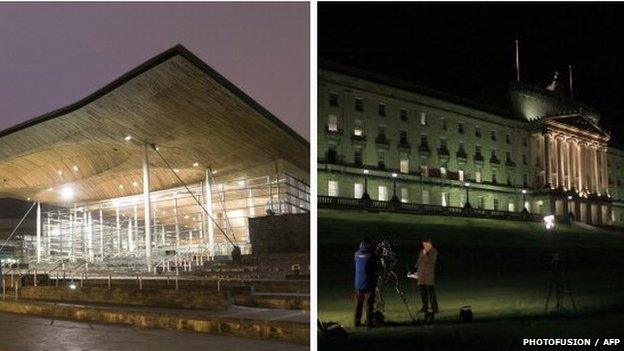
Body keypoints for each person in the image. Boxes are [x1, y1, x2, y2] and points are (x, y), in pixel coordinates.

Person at [354, 237, 378, 327]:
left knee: (358, 304)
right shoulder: (371, 255)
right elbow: (376, 267)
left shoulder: (356, 254)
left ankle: (357, 322)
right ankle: (369, 322)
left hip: (358, 284)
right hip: (368, 283)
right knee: (369, 304)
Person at [416, 238, 438, 317]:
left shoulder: (434, 252)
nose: (424, 246)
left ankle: (434, 308)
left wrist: (426, 254)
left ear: (430, 244)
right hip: (421, 275)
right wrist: (416, 272)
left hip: (429, 275)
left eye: (425, 244)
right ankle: (424, 307)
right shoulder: (421, 251)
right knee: (423, 292)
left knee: (431, 292)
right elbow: (419, 262)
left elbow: (431, 261)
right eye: (423, 244)